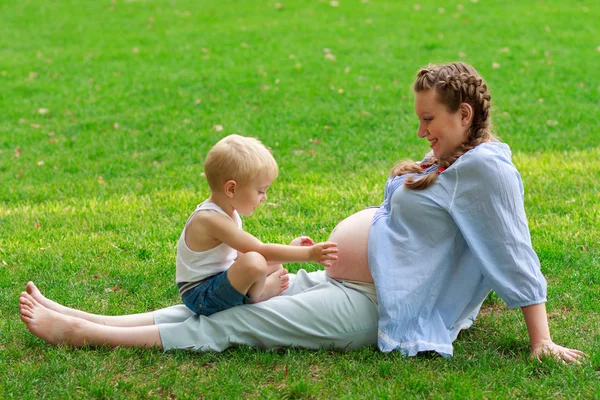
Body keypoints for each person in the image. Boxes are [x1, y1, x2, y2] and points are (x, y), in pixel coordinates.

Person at [18, 62, 586, 363]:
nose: (421, 130)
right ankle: (91, 318)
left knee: (239, 323)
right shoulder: (451, 155)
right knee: (231, 301)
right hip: (349, 280)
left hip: (376, 306)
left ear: (464, 115)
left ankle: (84, 335)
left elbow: (511, 248)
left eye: (430, 119)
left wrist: (539, 337)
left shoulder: (485, 168)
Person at [173, 134, 337, 315]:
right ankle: (258, 295)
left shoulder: (228, 212)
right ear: (231, 189)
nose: (264, 198)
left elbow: (241, 253)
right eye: (260, 191)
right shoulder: (210, 219)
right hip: (201, 296)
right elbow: (259, 250)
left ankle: (255, 286)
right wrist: (309, 254)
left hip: (219, 279)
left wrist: (285, 252)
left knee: (270, 265)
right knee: (255, 262)